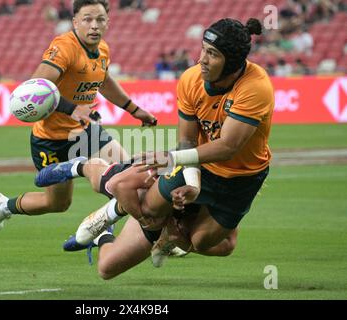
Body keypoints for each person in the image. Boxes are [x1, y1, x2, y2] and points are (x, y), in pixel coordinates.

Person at [50, 17, 274, 279]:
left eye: (212, 54)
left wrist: (170, 159)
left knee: (206, 242)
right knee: (112, 261)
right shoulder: (191, 79)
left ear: (233, 63)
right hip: (198, 163)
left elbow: (228, 146)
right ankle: (87, 172)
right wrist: (193, 181)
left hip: (241, 179)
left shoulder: (255, 87)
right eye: (203, 49)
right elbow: (187, 142)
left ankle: (168, 231)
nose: (202, 59)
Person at [0, 0, 156, 231]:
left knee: (128, 177)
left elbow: (103, 81)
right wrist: (72, 109)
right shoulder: (64, 47)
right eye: (87, 19)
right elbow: (34, 89)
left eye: (100, 19)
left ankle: (133, 233)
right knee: (57, 203)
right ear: (75, 22)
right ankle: (5, 207)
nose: (94, 25)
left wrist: (134, 109)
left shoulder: (103, 49)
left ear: (108, 22)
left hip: (85, 133)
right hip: (51, 140)